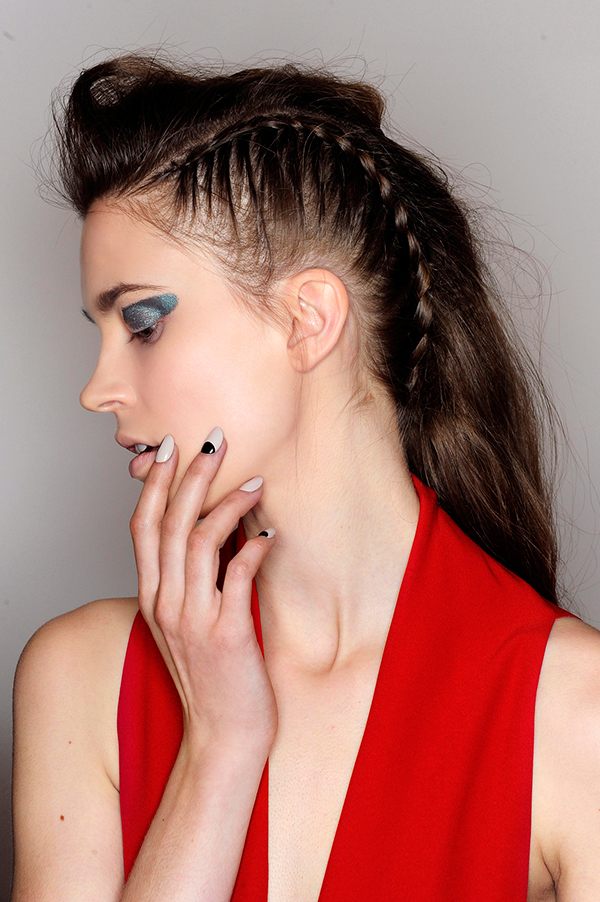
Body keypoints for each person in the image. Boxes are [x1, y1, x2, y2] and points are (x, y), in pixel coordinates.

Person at [11, 54, 600, 902]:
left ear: (308, 319)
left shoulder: (572, 713)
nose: (96, 389)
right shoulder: (81, 680)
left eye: (141, 323)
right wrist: (220, 747)